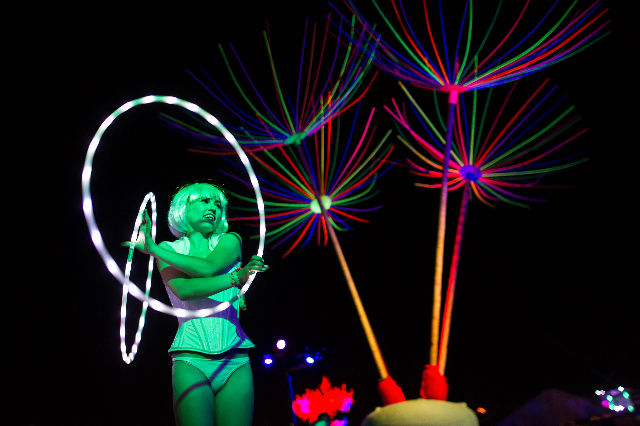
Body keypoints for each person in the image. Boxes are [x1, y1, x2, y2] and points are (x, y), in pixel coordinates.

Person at [125, 182, 268, 426]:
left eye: (218, 204)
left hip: (234, 359)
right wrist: (236, 278)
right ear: (184, 208)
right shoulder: (170, 249)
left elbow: (208, 268)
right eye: (204, 201)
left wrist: (153, 249)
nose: (213, 208)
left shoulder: (230, 240)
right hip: (191, 360)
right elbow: (185, 291)